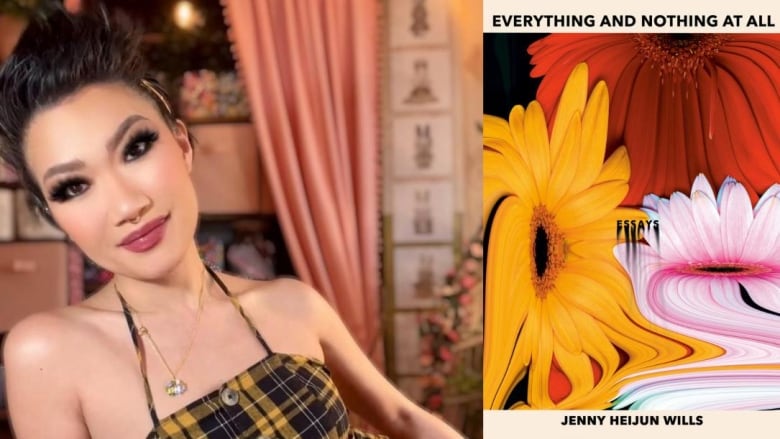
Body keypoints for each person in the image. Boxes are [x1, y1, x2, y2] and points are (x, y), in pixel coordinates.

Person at [0, 7, 463, 439]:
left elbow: (404, 418)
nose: (126, 205)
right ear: (50, 213)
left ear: (182, 146)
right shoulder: (47, 354)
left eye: (136, 148)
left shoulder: (292, 305)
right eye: (73, 187)